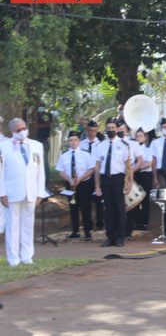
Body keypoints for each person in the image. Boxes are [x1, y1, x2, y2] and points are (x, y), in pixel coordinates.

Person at [0, 118, 46, 266]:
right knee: (12, 226)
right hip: (12, 190)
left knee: (28, 224)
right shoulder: (3, 146)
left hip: (30, 191)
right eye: (18, 130)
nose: (22, 132)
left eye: (24, 128)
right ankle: (13, 259)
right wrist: (2, 193)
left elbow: (40, 171)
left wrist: (40, 192)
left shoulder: (36, 146)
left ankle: (27, 257)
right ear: (11, 131)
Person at [93, 117, 135, 247]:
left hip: (118, 179)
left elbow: (129, 166)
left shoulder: (124, 146)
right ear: (106, 129)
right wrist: (97, 185)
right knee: (108, 209)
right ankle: (110, 236)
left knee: (119, 209)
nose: (110, 130)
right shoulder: (101, 146)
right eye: (108, 128)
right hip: (106, 179)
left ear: (117, 129)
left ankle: (120, 237)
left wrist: (130, 183)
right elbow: (98, 166)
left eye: (113, 128)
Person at [57, 131, 96, 240]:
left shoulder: (85, 154)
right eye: (71, 140)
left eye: (75, 140)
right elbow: (61, 171)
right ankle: (75, 231)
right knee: (73, 207)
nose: (73, 142)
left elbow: (91, 169)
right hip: (70, 184)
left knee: (85, 207)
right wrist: (69, 179)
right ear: (68, 142)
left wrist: (80, 179)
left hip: (84, 183)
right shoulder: (64, 156)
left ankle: (87, 232)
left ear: (79, 141)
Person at [118, 120, 145, 238]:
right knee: (117, 204)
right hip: (117, 176)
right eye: (118, 129)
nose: (119, 131)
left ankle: (128, 230)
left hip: (129, 175)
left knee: (130, 203)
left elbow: (140, 160)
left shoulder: (133, 143)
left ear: (126, 130)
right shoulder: (113, 142)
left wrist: (131, 172)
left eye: (122, 129)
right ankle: (119, 230)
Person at [80, 120, 105, 231]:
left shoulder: (100, 144)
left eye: (95, 131)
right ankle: (88, 224)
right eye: (90, 130)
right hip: (86, 175)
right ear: (87, 130)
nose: (92, 133)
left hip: (97, 174)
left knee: (99, 201)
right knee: (86, 201)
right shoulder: (82, 144)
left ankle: (100, 223)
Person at [132, 129, 154, 231]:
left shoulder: (148, 150)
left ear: (145, 138)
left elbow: (149, 163)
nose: (138, 138)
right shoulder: (132, 149)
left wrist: (137, 168)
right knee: (135, 198)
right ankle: (136, 221)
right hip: (135, 175)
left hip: (145, 175)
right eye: (137, 136)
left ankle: (144, 222)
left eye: (141, 136)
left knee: (145, 199)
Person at [36, 103, 53, 183]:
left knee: (45, 163)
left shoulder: (48, 115)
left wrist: (38, 126)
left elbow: (47, 125)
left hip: (44, 141)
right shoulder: (35, 116)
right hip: (36, 141)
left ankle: (46, 182)